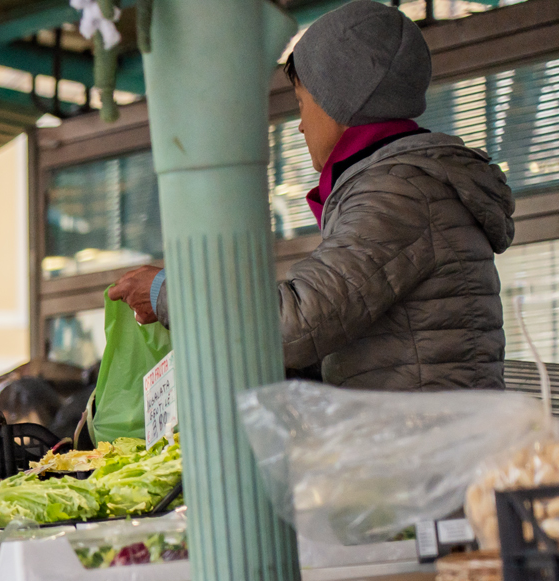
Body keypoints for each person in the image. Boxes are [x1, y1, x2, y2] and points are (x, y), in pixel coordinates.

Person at [108, 0, 515, 390]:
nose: (301, 126)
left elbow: (295, 325)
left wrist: (167, 293)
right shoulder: (405, 184)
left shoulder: (399, 193)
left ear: (343, 101)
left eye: (303, 104)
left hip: (422, 451)